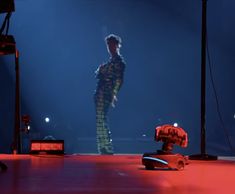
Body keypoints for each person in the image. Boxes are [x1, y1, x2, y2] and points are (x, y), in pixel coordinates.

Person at [94, 34, 126, 154]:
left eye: (112, 45)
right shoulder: (110, 62)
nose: (109, 47)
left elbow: (119, 80)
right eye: (108, 45)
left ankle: (106, 147)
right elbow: (98, 73)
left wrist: (113, 93)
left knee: (101, 119)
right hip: (101, 92)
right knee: (100, 119)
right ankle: (103, 147)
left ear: (117, 45)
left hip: (106, 92)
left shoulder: (119, 62)